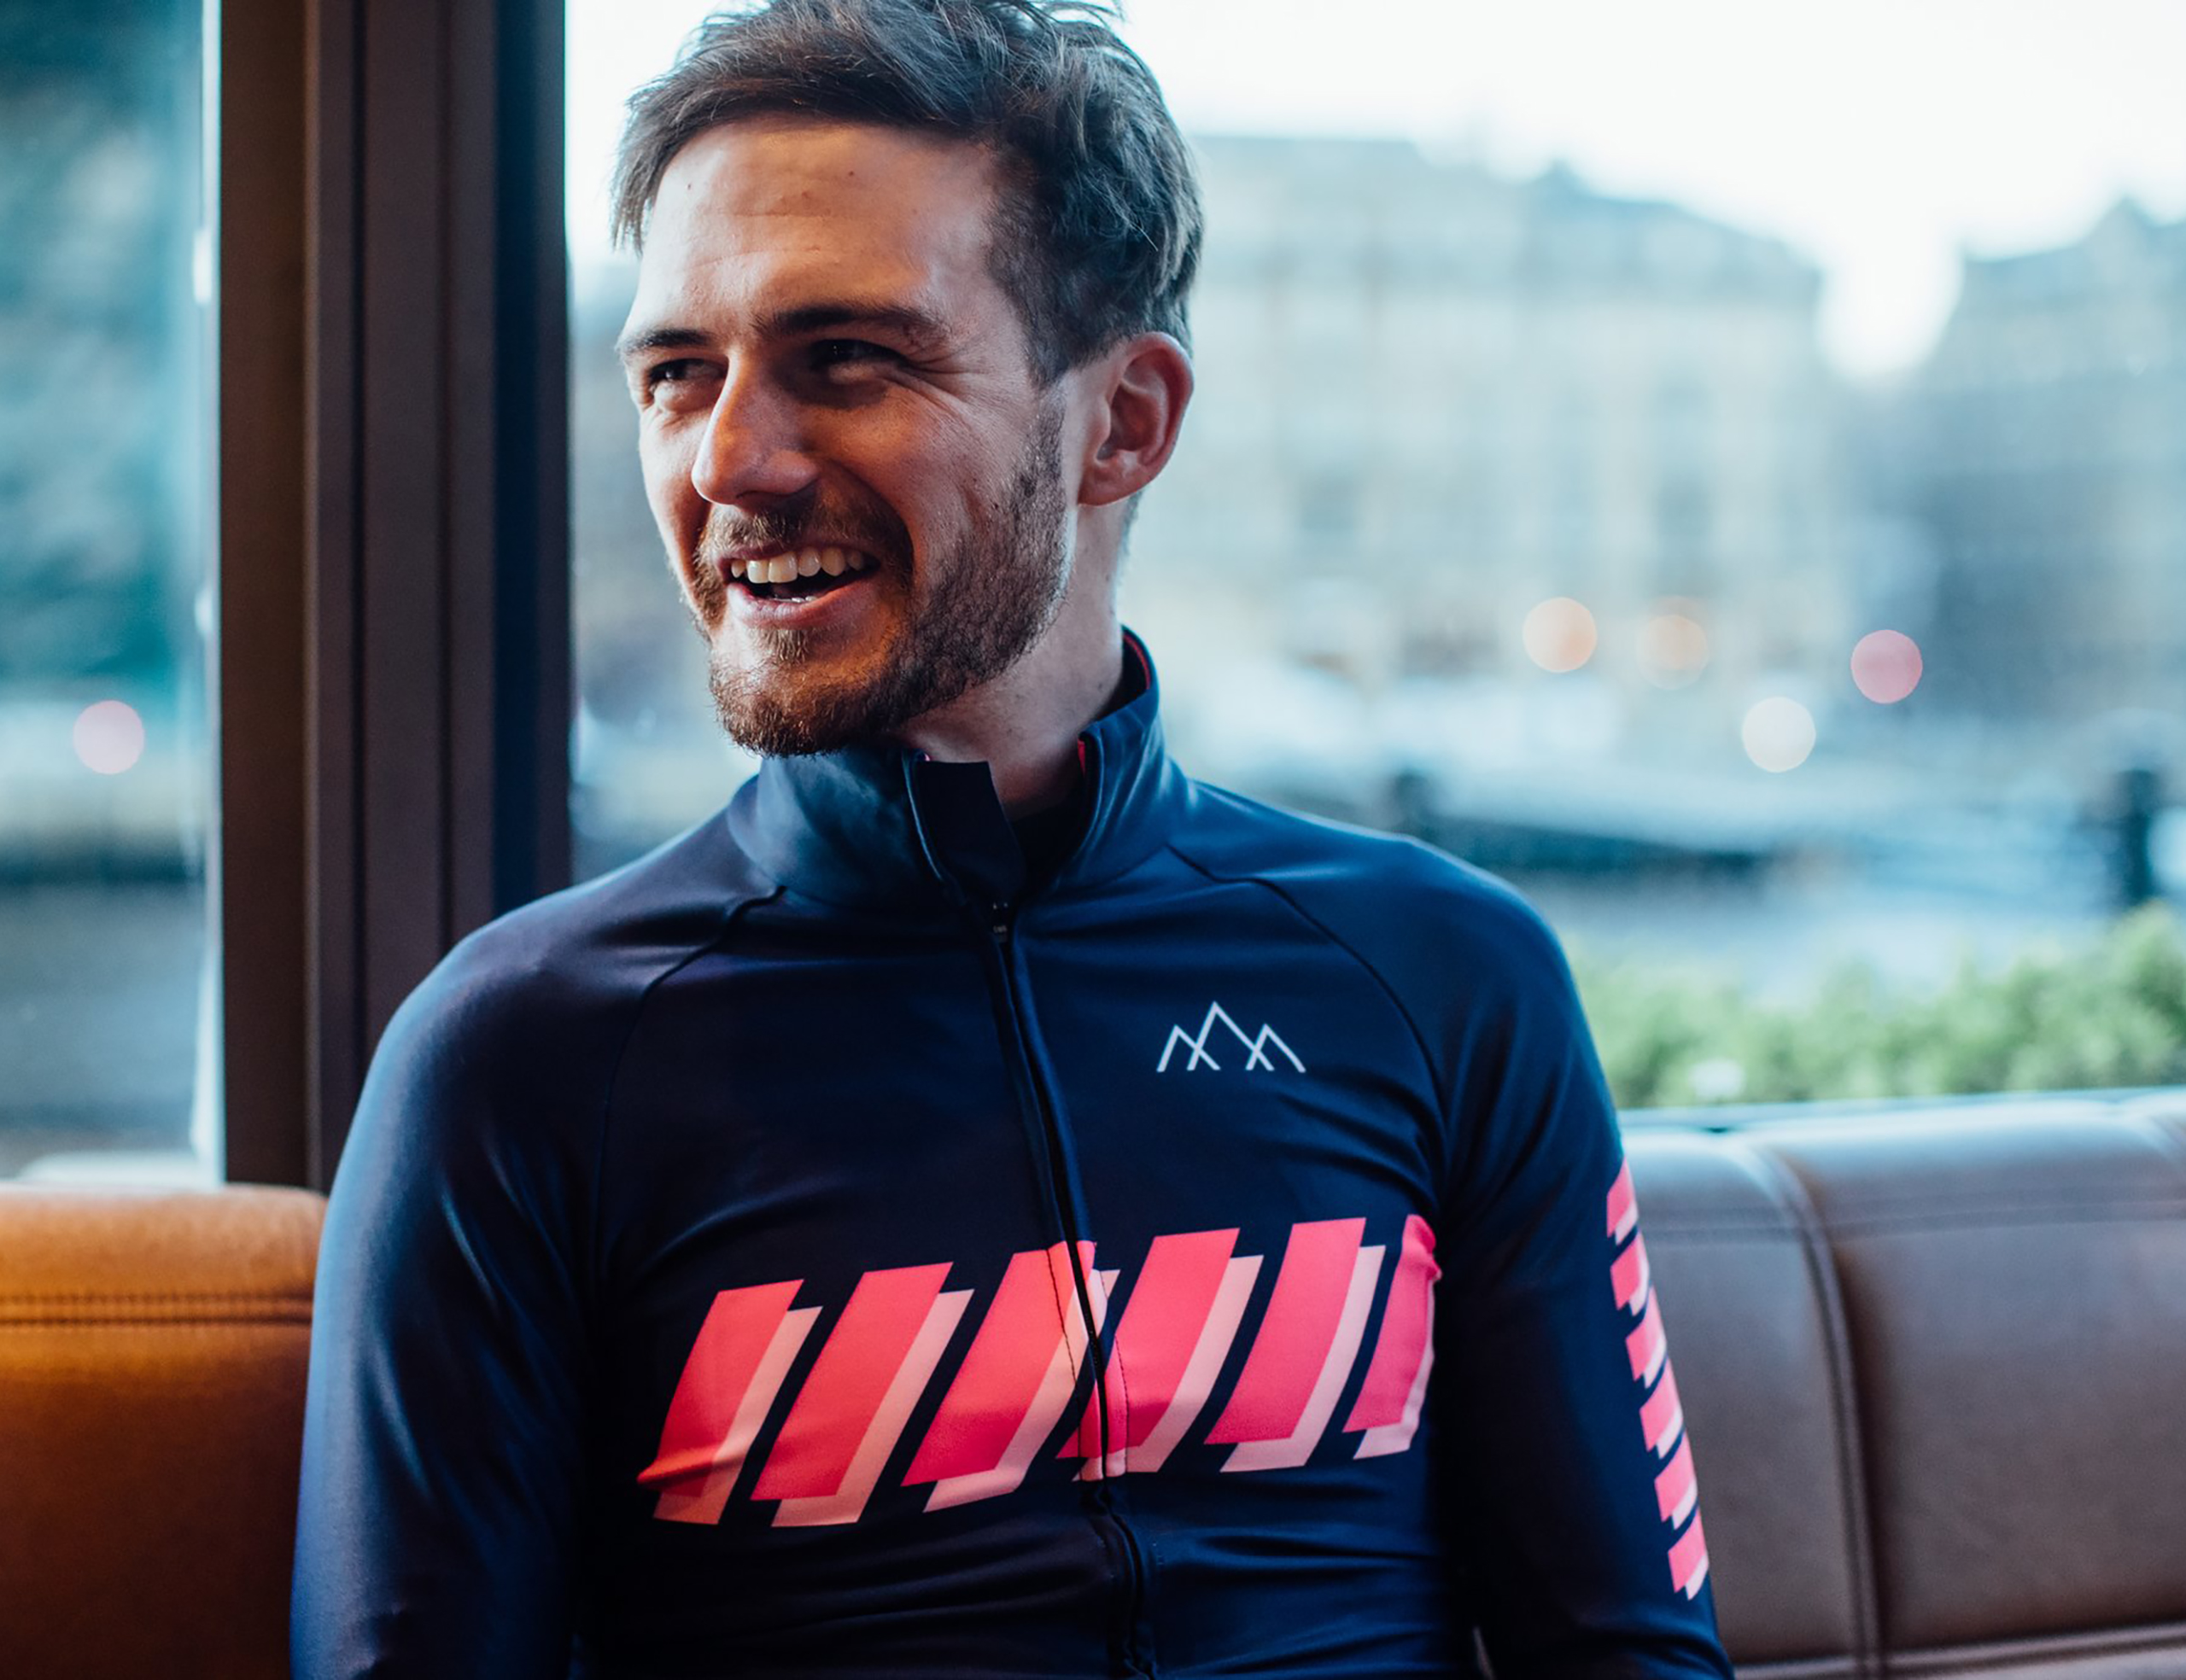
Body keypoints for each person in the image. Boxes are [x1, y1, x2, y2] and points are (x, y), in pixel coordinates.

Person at [291, 3, 1733, 1675]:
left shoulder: (1444, 979)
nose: (731, 461)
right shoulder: (519, 1057)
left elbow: (1630, 1656)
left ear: (1121, 422)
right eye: (677, 373)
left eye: (848, 359)